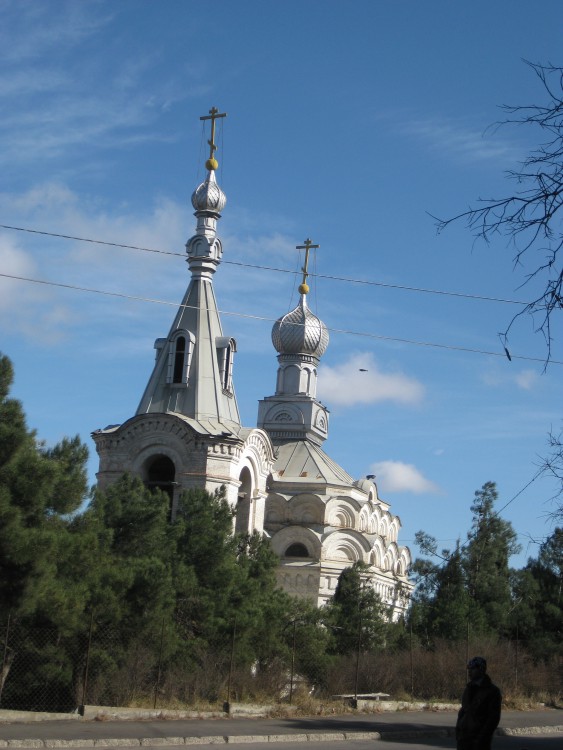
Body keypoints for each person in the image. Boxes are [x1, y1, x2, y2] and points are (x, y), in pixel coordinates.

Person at [456, 656, 502, 750]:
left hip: (479, 742)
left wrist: (481, 738)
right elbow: (463, 711)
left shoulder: (492, 691)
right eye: (469, 669)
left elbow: (493, 718)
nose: (469, 671)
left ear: (481, 669)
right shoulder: (468, 689)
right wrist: (458, 731)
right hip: (464, 740)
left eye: (472, 669)